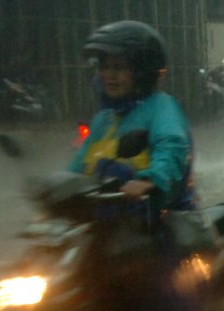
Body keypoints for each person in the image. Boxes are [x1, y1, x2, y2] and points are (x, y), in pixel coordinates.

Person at [69, 19, 196, 212]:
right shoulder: (103, 119)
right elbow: (80, 163)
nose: (108, 75)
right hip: (108, 222)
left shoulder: (161, 107)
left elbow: (171, 147)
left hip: (157, 222)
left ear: (142, 72)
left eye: (118, 68)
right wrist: (59, 192)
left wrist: (150, 180)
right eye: (104, 67)